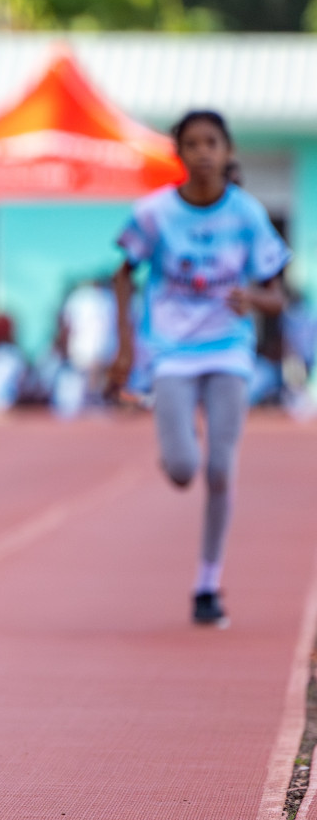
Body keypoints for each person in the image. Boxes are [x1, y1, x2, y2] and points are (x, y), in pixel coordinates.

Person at [107, 110, 290, 629]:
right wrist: (124, 350)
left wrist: (251, 296)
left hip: (229, 350)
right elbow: (122, 276)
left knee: (220, 470)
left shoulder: (248, 215)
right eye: (193, 144)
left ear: (228, 151)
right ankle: (176, 429)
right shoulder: (154, 214)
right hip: (170, 352)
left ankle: (207, 584)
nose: (204, 152)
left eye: (213, 142)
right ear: (179, 154)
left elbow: (277, 296)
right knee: (184, 469)